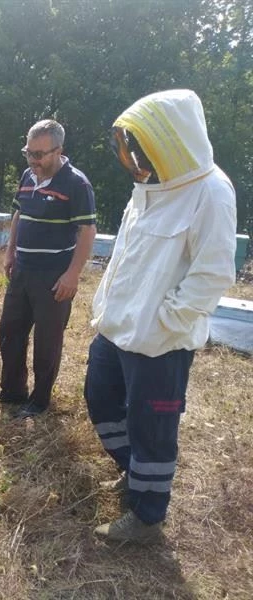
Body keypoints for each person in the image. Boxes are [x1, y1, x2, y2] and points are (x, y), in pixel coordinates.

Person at [86, 89, 237, 543]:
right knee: (99, 398)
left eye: (143, 143)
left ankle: (147, 516)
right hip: (117, 326)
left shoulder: (211, 192)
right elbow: (125, 255)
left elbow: (213, 273)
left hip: (161, 340)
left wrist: (168, 320)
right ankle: (135, 471)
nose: (137, 154)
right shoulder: (148, 188)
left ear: (172, 138)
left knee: (152, 426)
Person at [0, 119, 96, 418]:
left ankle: (39, 400)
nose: (33, 160)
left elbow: (87, 231)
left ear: (58, 151)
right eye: (28, 153)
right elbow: (18, 215)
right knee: (9, 331)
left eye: (39, 154)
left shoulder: (77, 184)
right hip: (22, 270)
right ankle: (12, 391)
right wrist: (10, 253)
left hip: (53, 276)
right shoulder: (27, 175)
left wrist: (72, 274)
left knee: (47, 342)